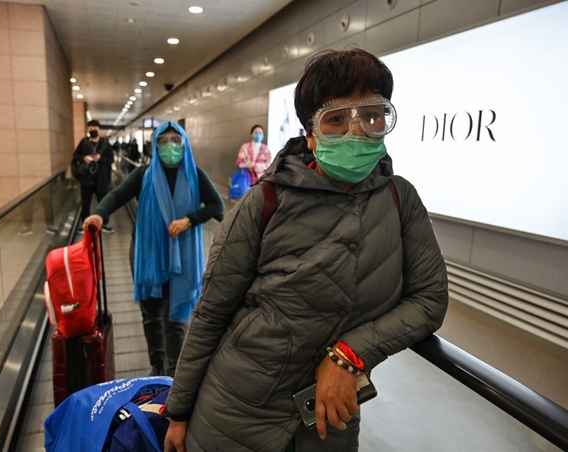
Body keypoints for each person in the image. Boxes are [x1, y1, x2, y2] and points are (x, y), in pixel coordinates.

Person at [162, 49, 449, 452]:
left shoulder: (400, 201)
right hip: (235, 412)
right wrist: (178, 411)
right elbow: (211, 313)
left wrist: (349, 355)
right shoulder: (264, 202)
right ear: (310, 135)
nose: (356, 132)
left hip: (329, 419)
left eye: (371, 115)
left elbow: (430, 298)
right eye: (335, 120)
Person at [83, 121, 224, 378]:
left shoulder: (195, 175)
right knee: (151, 316)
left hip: (182, 256)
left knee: (175, 318)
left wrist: (189, 220)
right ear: (154, 145)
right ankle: (157, 363)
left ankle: (174, 371)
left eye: (175, 140)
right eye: (163, 141)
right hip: (146, 254)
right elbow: (117, 195)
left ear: (184, 144)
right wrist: (99, 214)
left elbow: (217, 206)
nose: (169, 146)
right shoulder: (144, 175)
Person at [71, 120, 114, 233]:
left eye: (94, 129)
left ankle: (105, 223)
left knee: (104, 202)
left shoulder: (105, 144)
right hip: (87, 178)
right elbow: (75, 157)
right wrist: (84, 158)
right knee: (85, 203)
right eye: (90, 129)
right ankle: (85, 224)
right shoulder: (84, 142)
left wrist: (100, 159)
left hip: (102, 178)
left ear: (99, 129)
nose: (92, 131)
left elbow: (111, 160)